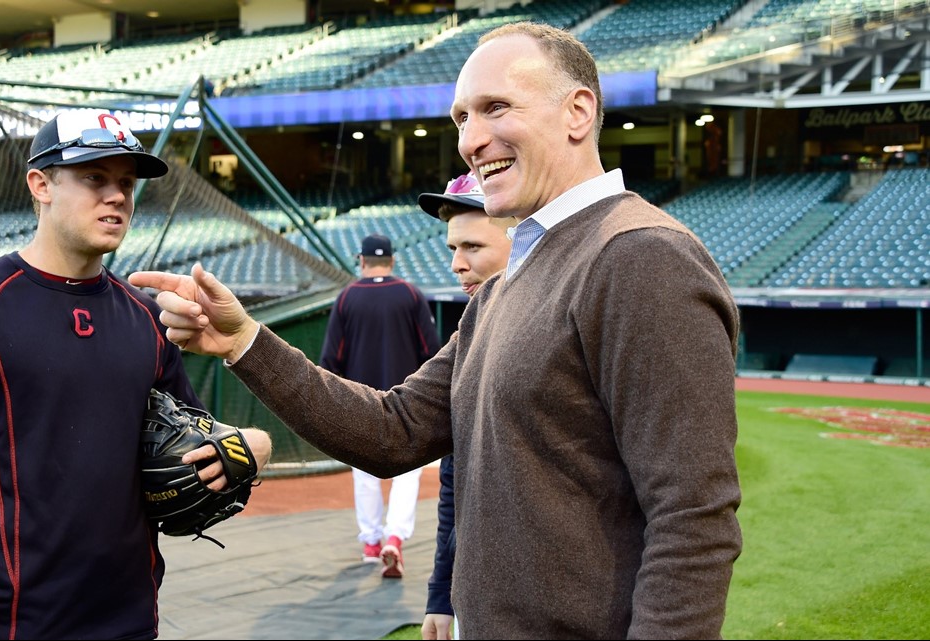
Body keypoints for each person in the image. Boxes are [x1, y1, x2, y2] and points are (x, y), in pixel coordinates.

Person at [131, 20, 743, 640]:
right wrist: (242, 342)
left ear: (577, 112)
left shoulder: (641, 256)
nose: (472, 140)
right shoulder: (506, 286)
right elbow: (392, 432)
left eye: (495, 108)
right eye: (460, 119)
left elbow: (694, 519)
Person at [0, 109, 273, 640]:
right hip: (4, 624)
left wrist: (251, 448)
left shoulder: (148, 320)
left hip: (130, 619)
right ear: (41, 185)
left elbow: (192, 446)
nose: (117, 196)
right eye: (94, 178)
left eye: (126, 182)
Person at [415, 171, 514, 639]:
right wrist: (441, 590)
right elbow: (454, 483)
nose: (457, 264)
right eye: (452, 249)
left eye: (472, 247)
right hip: (475, 599)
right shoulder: (471, 333)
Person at [319, 232, 441, 579]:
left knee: (365, 476)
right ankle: (394, 539)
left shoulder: (346, 298)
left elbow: (331, 361)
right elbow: (431, 352)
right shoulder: (410, 294)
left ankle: (371, 544)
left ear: (361, 261)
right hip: (407, 402)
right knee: (406, 476)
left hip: (361, 403)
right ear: (392, 260)